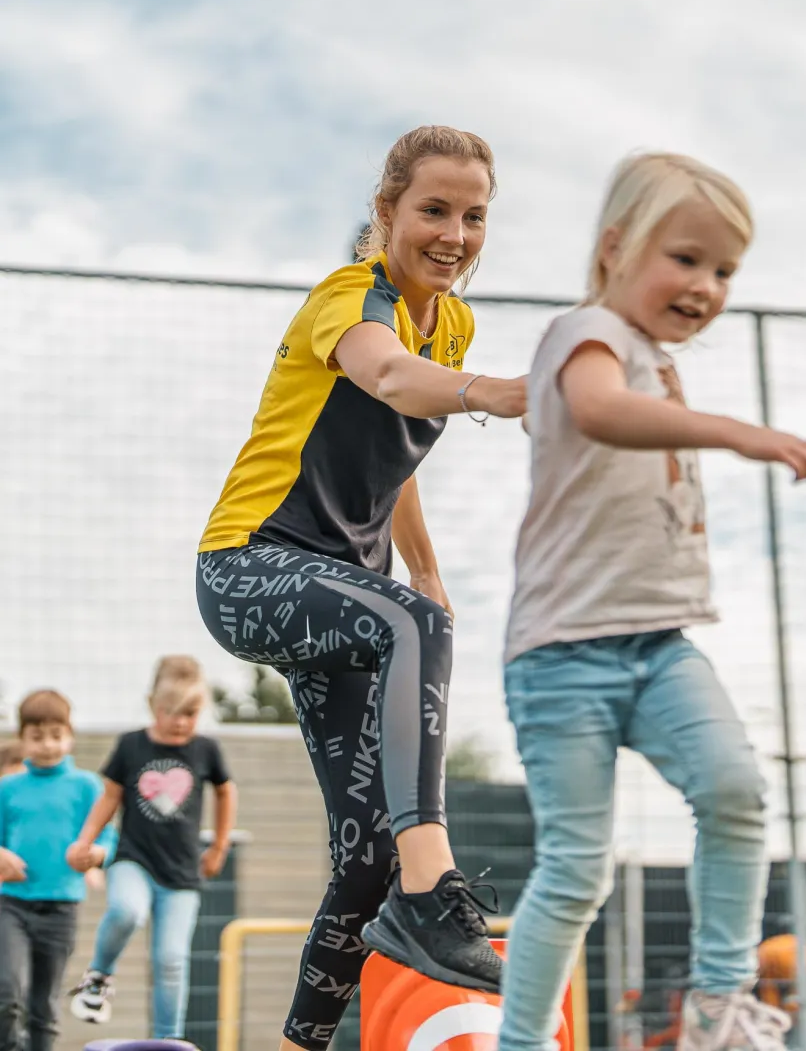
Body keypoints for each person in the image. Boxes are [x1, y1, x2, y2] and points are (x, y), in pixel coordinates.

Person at [497, 153, 806, 1051]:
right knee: (576, 870)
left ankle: (719, 1007)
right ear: (615, 247)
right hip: (561, 653)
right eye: (685, 258)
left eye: (725, 271)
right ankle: (521, 1043)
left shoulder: (653, 360)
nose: (707, 286)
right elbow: (602, 412)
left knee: (735, 791)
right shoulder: (587, 334)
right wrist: (737, 432)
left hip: (659, 648)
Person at [196, 125, 526, 1050]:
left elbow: (396, 444)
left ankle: (302, 1040)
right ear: (386, 214)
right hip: (248, 567)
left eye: (473, 216)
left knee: (368, 849)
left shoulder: (451, 322)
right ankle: (434, 895)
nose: (453, 234)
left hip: (348, 590)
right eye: (432, 210)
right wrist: (494, 392)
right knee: (410, 628)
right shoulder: (347, 299)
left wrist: (423, 566)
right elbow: (385, 372)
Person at [67, 656, 236, 1039]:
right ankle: (98, 975)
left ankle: (167, 1040)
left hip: (182, 873)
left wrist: (219, 846)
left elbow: (227, 792)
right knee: (127, 911)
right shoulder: (131, 745)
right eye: (170, 712)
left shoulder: (206, 749)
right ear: (152, 706)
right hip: (134, 859)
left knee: (172, 961)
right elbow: (109, 798)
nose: (180, 722)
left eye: (190, 713)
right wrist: (85, 840)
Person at [0, 690, 115, 1051]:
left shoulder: (86, 786)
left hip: (61, 909)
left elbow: (108, 837)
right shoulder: (8, 788)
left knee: (43, 1006)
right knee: (7, 994)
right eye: (37, 736)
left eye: (56, 735)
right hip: (12, 906)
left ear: (70, 735)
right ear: (22, 739)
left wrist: (96, 853)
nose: (47, 744)